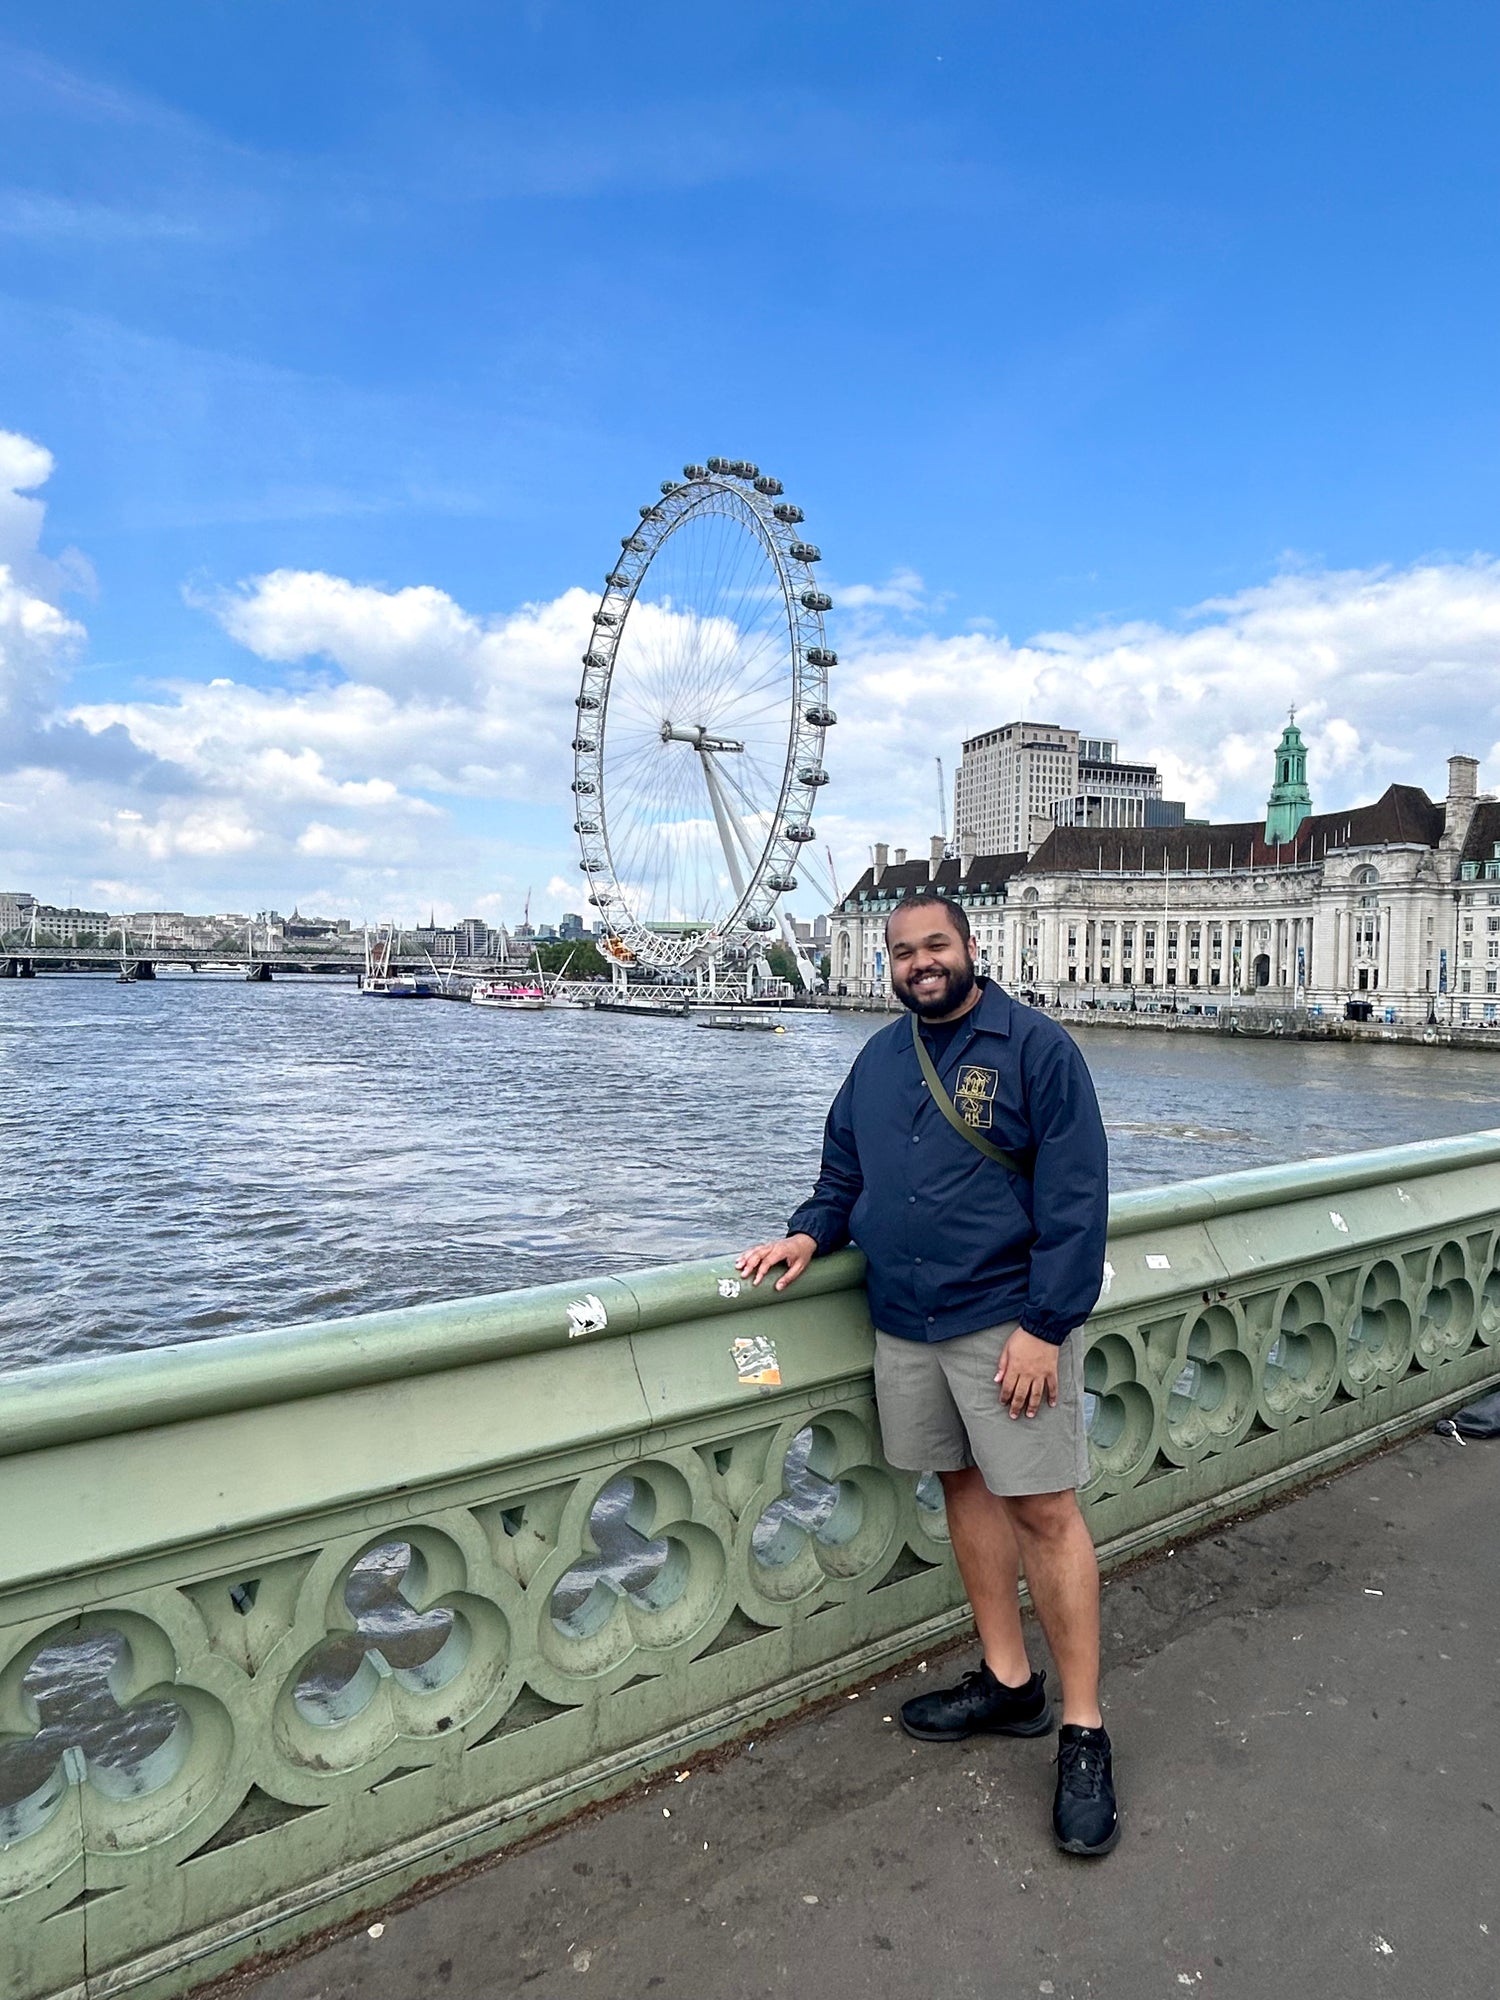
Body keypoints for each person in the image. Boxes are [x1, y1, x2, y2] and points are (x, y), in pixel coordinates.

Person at [737, 892, 1118, 1857]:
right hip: (905, 1320)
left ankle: (1084, 1730)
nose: (919, 963)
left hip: (1006, 1325)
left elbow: (1077, 1200)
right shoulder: (876, 1059)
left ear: (970, 947)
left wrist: (1044, 1327)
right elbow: (844, 1175)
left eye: (935, 945)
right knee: (962, 1487)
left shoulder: (1037, 1051)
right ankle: (1008, 1683)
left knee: (1044, 1509)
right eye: (903, 952)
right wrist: (809, 1232)